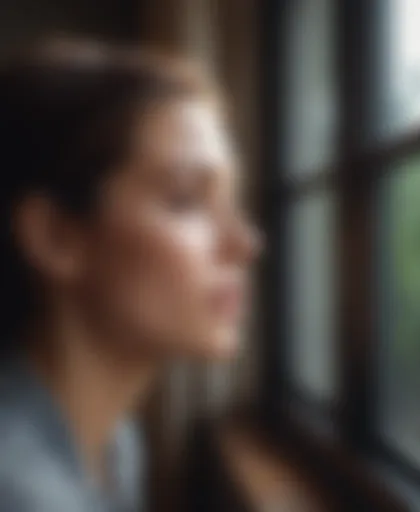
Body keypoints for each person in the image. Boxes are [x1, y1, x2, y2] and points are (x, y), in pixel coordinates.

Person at [0, 38, 261, 512]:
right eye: (186, 200)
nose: (244, 244)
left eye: (232, 202)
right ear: (56, 237)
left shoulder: (117, 441)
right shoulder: (19, 490)